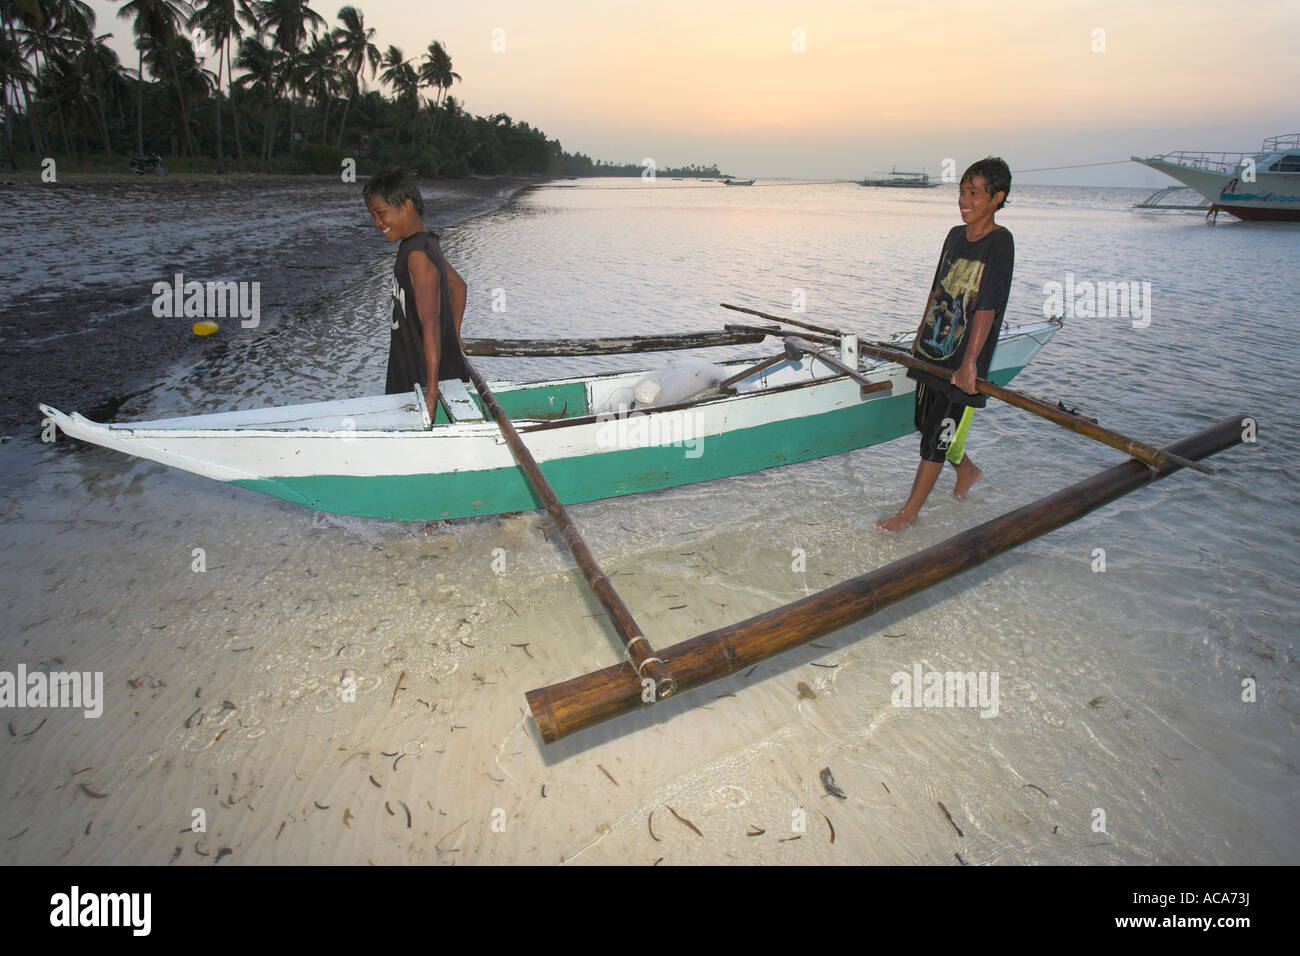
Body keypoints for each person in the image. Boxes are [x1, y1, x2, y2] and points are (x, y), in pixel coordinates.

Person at [875, 157, 1014, 533]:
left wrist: (970, 363)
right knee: (925, 422)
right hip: (934, 348)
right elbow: (937, 288)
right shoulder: (954, 235)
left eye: (974, 193)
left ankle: (909, 515)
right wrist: (918, 336)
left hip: (964, 359)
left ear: (997, 198)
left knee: (938, 435)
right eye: (961, 192)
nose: (963, 200)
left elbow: (987, 304)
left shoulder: (1000, 242)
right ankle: (967, 469)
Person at [362, 169, 470, 419]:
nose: (377, 223)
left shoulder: (417, 255)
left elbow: (430, 323)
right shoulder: (425, 243)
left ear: (406, 205)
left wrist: (431, 394)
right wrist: (453, 337)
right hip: (422, 374)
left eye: (380, 213)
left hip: (420, 380)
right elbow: (459, 287)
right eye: (373, 216)